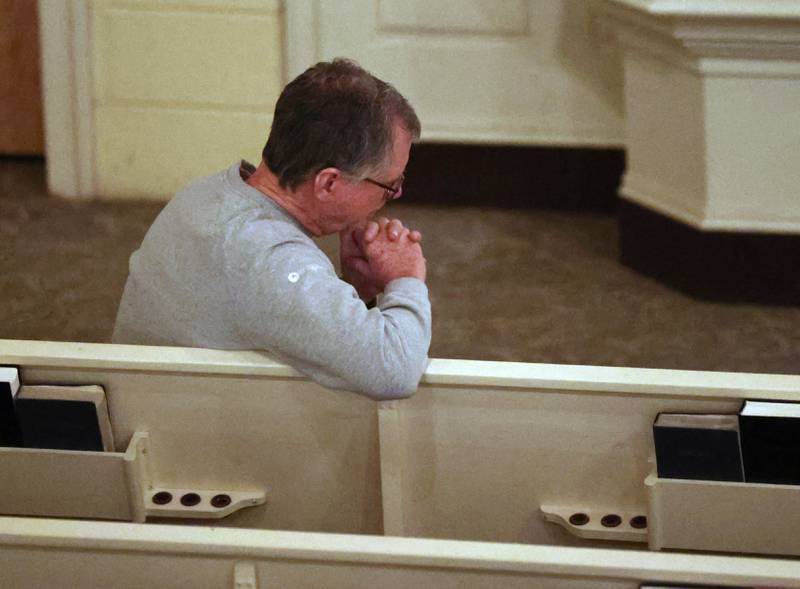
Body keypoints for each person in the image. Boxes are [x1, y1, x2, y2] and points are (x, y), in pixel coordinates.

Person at [112, 59, 431, 400]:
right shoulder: (269, 259)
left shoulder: (208, 192)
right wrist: (406, 279)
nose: (394, 196)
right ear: (328, 183)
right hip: (179, 438)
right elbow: (394, 371)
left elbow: (269, 307)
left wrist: (354, 288)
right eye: (389, 184)